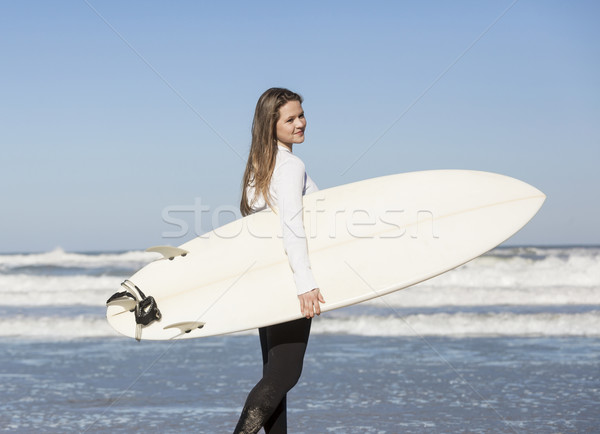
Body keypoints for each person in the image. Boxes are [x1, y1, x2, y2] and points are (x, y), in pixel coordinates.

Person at [234, 88, 325, 433]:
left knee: (274, 376)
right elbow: (292, 226)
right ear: (271, 125)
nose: (301, 123)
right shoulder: (289, 165)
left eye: (301, 115)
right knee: (285, 373)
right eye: (291, 118)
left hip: (267, 279)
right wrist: (305, 282)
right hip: (289, 280)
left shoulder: (259, 166)